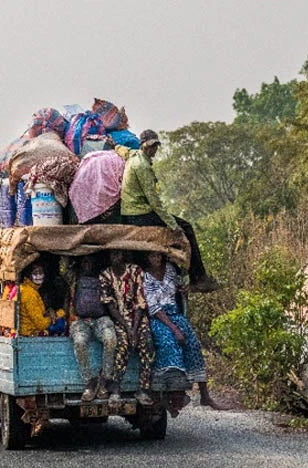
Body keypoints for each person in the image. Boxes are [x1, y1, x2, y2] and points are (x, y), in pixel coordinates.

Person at [115, 130, 219, 293]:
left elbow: (122, 150)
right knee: (187, 228)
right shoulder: (142, 166)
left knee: (181, 225)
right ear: (144, 146)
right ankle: (198, 278)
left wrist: (113, 144)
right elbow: (154, 202)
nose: (154, 149)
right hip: (140, 214)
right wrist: (173, 226)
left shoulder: (133, 155)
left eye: (155, 145)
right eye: (151, 146)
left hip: (129, 212)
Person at [143, 251, 226, 410]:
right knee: (169, 344)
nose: (156, 259)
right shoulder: (145, 278)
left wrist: (184, 291)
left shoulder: (170, 270)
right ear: (148, 258)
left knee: (193, 345)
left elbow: (178, 291)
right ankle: (173, 396)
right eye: (153, 256)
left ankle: (205, 396)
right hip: (160, 318)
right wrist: (174, 330)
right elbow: (154, 308)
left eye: (158, 255)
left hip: (176, 314)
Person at [99, 250, 154, 407]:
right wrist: (128, 330)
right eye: (112, 255)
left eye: (118, 254)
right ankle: (115, 390)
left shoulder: (135, 271)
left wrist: (135, 329)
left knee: (147, 344)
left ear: (123, 255)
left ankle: (143, 389)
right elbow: (110, 306)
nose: (115, 257)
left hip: (137, 319)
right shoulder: (105, 275)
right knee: (122, 345)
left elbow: (140, 301)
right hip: (119, 320)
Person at [67, 255, 119, 402]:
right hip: (80, 320)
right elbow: (68, 299)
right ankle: (90, 380)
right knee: (79, 341)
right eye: (84, 261)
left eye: (90, 261)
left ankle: (105, 379)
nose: (87, 264)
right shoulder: (73, 278)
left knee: (110, 338)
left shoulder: (104, 276)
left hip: (100, 319)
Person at [16, 263, 53, 336]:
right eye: (35, 273)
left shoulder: (28, 288)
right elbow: (41, 324)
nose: (38, 276)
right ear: (29, 276)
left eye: (41, 273)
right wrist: (60, 314)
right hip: (29, 332)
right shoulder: (30, 294)